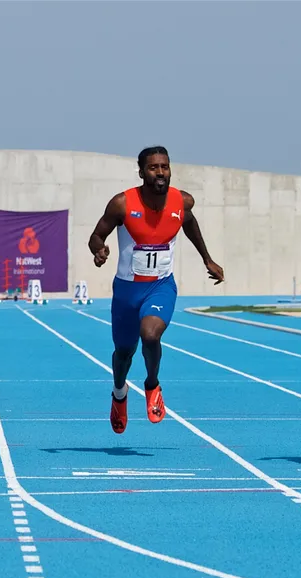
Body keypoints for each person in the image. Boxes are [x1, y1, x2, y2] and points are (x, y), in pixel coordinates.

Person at [87, 146, 225, 435]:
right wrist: (99, 250)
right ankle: (119, 394)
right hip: (126, 292)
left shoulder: (182, 201)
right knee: (123, 353)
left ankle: (152, 384)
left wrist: (207, 258)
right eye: (153, 167)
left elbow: (188, 224)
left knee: (150, 334)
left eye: (165, 166)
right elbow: (96, 235)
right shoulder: (122, 204)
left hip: (160, 286)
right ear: (141, 172)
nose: (160, 172)